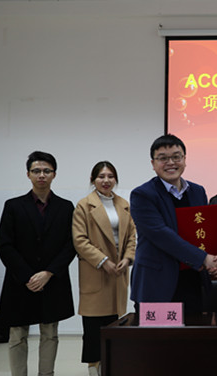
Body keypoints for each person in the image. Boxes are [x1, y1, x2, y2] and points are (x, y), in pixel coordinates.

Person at [0, 151, 76, 376]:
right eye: (36, 171)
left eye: (46, 171)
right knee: (17, 335)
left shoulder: (66, 207)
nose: (42, 175)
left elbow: (71, 245)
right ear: (28, 174)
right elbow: (5, 245)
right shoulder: (13, 206)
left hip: (52, 280)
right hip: (20, 281)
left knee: (50, 333)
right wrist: (27, 276)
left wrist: (48, 273)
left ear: (54, 174)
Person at [129, 134, 217, 314]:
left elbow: (202, 232)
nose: (170, 163)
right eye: (163, 158)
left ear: (184, 159)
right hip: (157, 283)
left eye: (176, 157)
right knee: (158, 333)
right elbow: (161, 234)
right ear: (153, 163)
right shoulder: (142, 195)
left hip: (192, 280)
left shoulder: (197, 191)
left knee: (192, 331)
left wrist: (213, 261)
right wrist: (204, 258)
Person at [72, 161, 136, 376]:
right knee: (93, 329)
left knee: (114, 325)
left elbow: (132, 236)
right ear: (93, 180)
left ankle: (112, 367)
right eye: (101, 176)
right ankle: (94, 369)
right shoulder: (84, 205)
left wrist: (127, 258)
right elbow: (80, 240)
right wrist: (103, 261)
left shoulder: (123, 204)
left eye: (110, 176)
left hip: (118, 271)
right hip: (96, 271)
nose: (106, 180)